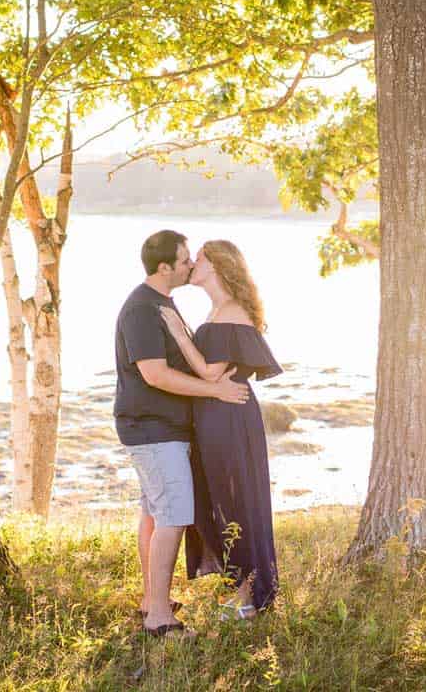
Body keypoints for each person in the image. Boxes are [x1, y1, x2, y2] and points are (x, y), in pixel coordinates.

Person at [114, 229, 250, 639]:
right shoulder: (143, 308)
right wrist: (215, 390)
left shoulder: (162, 305)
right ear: (164, 267)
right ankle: (159, 617)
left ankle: (151, 600)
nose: (191, 264)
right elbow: (154, 374)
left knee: (156, 514)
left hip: (159, 429)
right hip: (153, 430)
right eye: (185, 258)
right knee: (172, 516)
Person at [159, 238, 282, 619]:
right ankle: (240, 581)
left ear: (215, 265)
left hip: (231, 417)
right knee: (213, 496)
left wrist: (179, 334)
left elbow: (212, 372)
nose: (191, 264)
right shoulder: (217, 310)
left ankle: (252, 591)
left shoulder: (234, 311)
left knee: (238, 498)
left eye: (197, 259)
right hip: (212, 416)